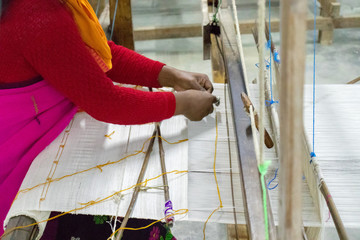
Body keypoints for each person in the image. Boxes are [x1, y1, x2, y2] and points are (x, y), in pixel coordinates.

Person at [0, 0, 216, 236]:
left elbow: (92, 56)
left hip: (43, 138)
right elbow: (104, 102)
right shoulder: (36, 13)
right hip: (19, 165)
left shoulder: (47, 8)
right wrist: (181, 104)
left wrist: (171, 76)